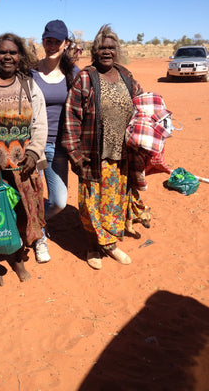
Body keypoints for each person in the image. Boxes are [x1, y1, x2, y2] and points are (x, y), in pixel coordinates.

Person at [62, 24, 146, 270]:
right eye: (102, 48)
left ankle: (109, 244)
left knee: (114, 201)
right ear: (95, 51)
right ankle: (92, 246)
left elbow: (142, 102)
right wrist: (75, 154)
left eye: (111, 47)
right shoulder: (86, 77)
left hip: (122, 154)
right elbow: (71, 117)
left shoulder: (126, 75)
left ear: (117, 51)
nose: (107, 52)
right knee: (91, 204)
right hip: (93, 154)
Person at [0, 32, 48, 286]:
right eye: (3, 52)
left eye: (13, 53)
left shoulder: (29, 85)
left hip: (25, 166)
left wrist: (34, 152)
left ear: (20, 56)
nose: (8, 57)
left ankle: (16, 259)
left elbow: (40, 122)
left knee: (22, 214)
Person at [31, 20, 80, 263]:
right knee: (33, 194)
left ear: (66, 44)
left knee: (59, 201)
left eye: (57, 41)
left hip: (60, 147)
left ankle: (32, 223)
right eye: (48, 40)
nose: (52, 45)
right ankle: (39, 237)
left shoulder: (74, 74)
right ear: (43, 41)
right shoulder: (30, 72)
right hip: (33, 147)